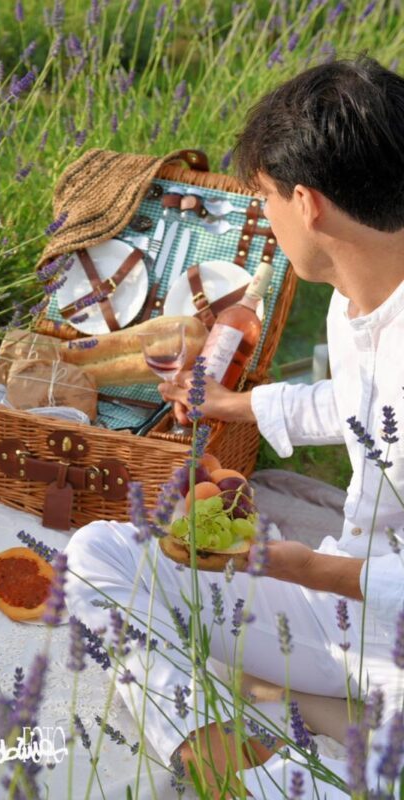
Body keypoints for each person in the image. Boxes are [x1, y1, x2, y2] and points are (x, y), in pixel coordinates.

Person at [64, 55, 404, 797]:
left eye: (265, 201)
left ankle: (286, 775)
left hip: (384, 637)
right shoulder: (359, 304)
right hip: (344, 613)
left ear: (307, 204)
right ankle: (210, 746)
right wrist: (232, 407)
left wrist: (287, 564)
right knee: (97, 552)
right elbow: (356, 404)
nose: (265, 222)